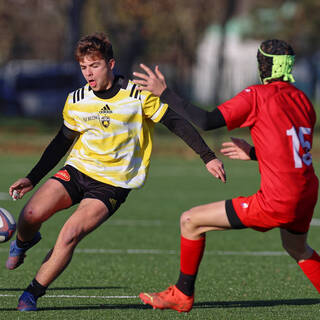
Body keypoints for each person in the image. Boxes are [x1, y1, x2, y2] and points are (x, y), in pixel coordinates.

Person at [7, 32, 226, 312]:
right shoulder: (77, 99)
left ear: (110, 64)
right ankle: (24, 242)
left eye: (94, 65)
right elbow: (62, 141)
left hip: (112, 184)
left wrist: (207, 156)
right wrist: (32, 177)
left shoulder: (137, 96)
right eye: (84, 67)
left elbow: (175, 122)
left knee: (70, 233)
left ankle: (32, 293)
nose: (88, 72)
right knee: (30, 215)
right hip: (77, 170)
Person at [133, 39, 319, 313]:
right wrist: (255, 154)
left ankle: (182, 294)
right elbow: (294, 148)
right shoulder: (303, 100)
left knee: (190, 220)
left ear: (263, 66)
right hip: (307, 193)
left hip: (279, 200)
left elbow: (208, 121)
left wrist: (165, 93)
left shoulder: (257, 95)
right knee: (297, 248)